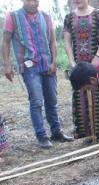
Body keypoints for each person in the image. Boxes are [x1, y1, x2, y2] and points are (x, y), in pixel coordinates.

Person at [2, 0, 74, 149]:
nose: (33, 3)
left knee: (52, 99)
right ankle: (42, 135)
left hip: (47, 64)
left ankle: (56, 131)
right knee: (36, 101)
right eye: (29, 0)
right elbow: (6, 42)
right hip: (29, 66)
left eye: (35, 0)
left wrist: (54, 62)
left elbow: (52, 42)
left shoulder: (46, 17)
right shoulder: (12, 17)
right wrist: (7, 65)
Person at [64, 0, 99, 142]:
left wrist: (97, 58)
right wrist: (73, 63)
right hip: (78, 65)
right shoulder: (69, 17)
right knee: (80, 96)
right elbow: (67, 42)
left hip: (97, 63)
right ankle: (87, 134)